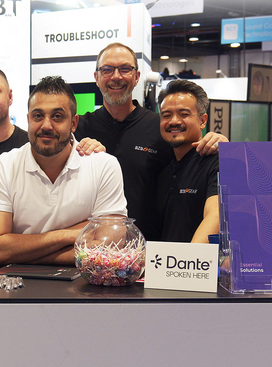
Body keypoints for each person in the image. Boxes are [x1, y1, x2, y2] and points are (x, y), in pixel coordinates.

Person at [74, 42, 225, 241]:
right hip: (92, 247)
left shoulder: (160, 127)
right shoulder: (78, 129)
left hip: (151, 249)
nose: (116, 76)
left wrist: (220, 143)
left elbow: (189, 158)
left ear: (137, 77)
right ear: (97, 77)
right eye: (107, 69)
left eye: (125, 69)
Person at [0, 75, 127, 266]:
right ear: (28, 120)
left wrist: (22, 253)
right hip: (16, 284)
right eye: (38, 116)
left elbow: (110, 247)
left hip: (84, 284)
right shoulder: (0, 167)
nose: (46, 126)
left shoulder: (103, 166)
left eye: (57, 116)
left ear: (74, 123)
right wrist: (72, 234)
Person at [156, 79, 219, 243]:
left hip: (198, 258)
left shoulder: (216, 162)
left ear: (203, 121)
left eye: (184, 114)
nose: (174, 121)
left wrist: (189, 257)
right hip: (164, 258)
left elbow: (216, 214)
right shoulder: (164, 171)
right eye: (166, 115)